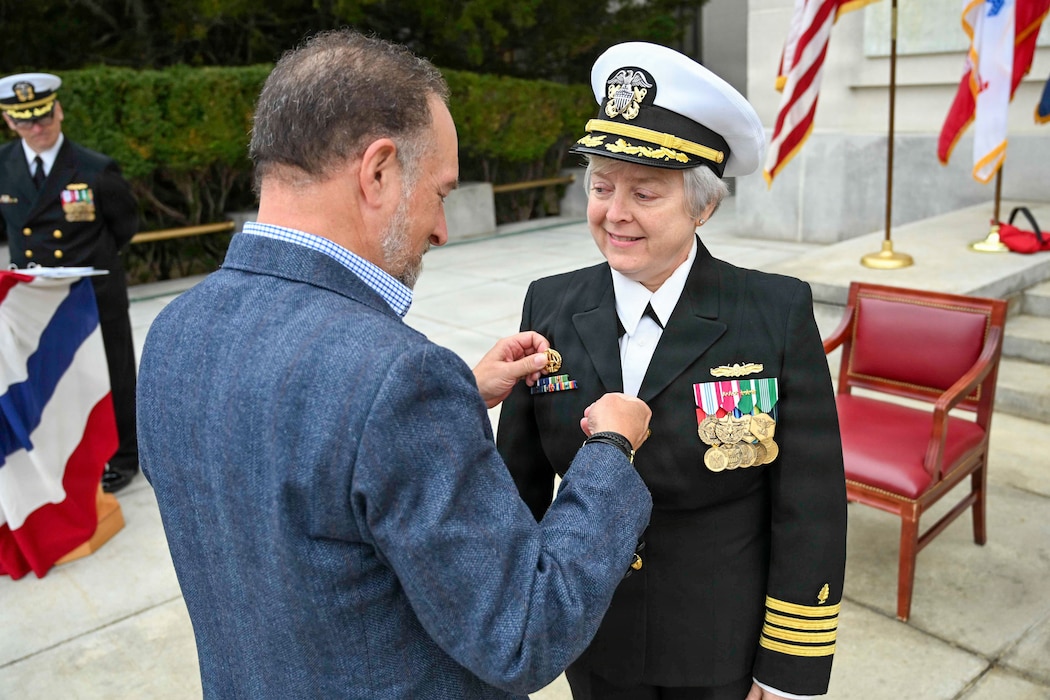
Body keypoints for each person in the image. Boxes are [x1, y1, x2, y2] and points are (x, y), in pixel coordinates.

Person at [137, 29, 655, 699]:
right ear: (379, 171)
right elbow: (524, 631)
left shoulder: (175, 330)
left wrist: (455, 399)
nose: (441, 230)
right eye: (440, 193)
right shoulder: (397, 380)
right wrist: (611, 452)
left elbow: (290, 472)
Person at [496, 42, 847, 700]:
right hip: (592, 629)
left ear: (702, 206)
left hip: (720, 639)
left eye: (645, 193)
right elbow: (518, 483)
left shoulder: (774, 312)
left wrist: (788, 666)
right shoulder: (551, 302)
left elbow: (811, 504)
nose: (614, 213)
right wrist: (511, 617)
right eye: (601, 187)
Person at [0, 72, 140, 494]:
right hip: (37, 299)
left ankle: (123, 456)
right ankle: (61, 458)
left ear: (58, 111)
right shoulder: (3, 167)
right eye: (25, 121)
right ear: (9, 121)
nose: (37, 128)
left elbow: (125, 225)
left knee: (112, 376)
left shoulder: (95, 168)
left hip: (92, 293)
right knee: (51, 379)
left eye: (43, 116)